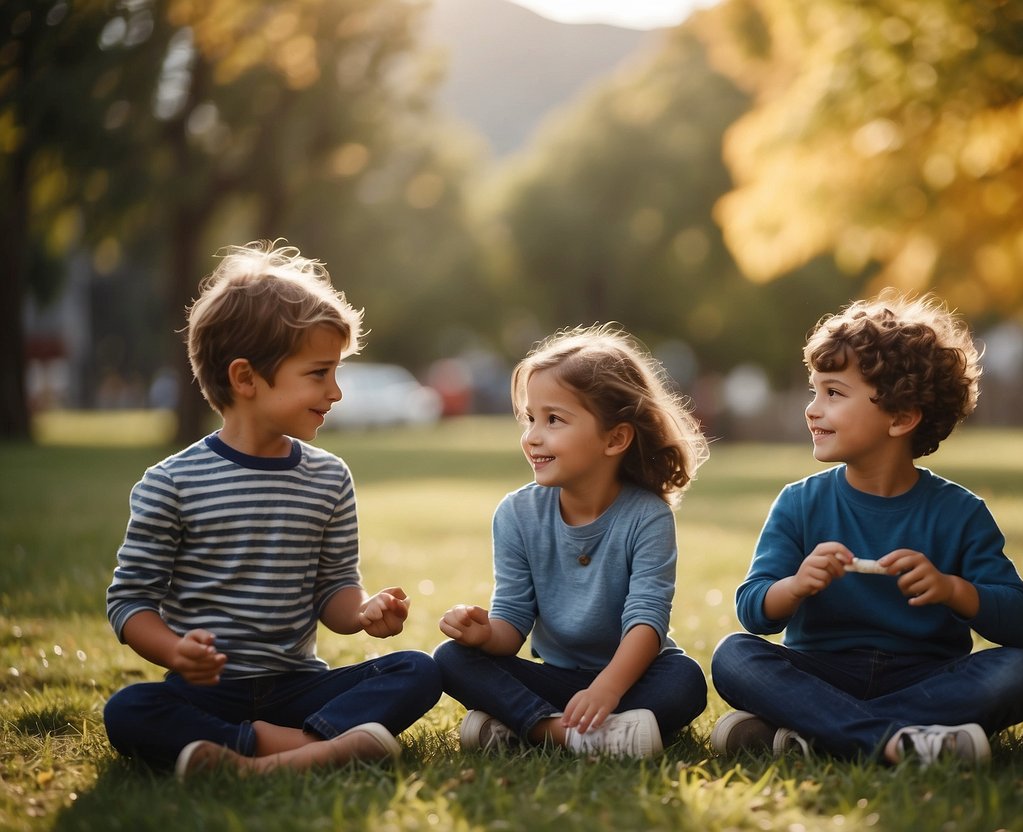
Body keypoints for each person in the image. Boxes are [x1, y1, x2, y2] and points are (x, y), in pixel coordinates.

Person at [103, 241, 443, 778]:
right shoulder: (170, 483)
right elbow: (130, 603)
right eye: (318, 373)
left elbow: (334, 589)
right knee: (127, 710)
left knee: (418, 670)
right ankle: (314, 748)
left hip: (298, 685)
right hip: (206, 691)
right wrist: (173, 651)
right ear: (246, 378)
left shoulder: (329, 477)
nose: (335, 392)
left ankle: (252, 756)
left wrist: (361, 612)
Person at [709, 291, 1023, 767]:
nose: (812, 409)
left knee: (1017, 672)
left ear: (902, 417)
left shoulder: (960, 513)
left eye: (834, 393)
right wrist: (797, 584)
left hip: (925, 678)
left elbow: (1019, 624)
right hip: (821, 673)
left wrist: (952, 589)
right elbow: (754, 613)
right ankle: (897, 740)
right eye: (814, 390)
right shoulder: (799, 504)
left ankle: (820, 732)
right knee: (734, 656)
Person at [434, 324, 710, 758]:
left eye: (554, 420)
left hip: (633, 675)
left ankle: (518, 723)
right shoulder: (516, 514)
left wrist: (607, 689)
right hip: (559, 678)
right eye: (530, 418)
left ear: (615, 438)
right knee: (451, 659)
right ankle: (564, 733)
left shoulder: (648, 517)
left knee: (686, 681)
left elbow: (647, 620)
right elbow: (511, 625)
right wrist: (483, 633)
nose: (532, 436)